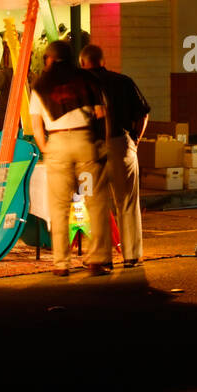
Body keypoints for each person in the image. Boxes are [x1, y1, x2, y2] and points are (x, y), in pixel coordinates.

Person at [29, 40, 113, 277]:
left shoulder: (40, 85)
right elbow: (101, 113)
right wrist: (100, 143)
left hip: (57, 145)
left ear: (49, 59)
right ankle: (96, 259)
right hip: (84, 143)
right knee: (94, 201)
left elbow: (36, 124)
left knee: (59, 205)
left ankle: (61, 263)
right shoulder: (86, 79)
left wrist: (46, 146)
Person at [79, 43, 151, 268]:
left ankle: (101, 258)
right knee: (127, 201)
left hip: (90, 149)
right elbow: (144, 113)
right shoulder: (123, 81)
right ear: (103, 61)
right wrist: (136, 140)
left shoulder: (79, 87)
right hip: (122, 144)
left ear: (83, 63)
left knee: (95, 203)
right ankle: (131, 255)